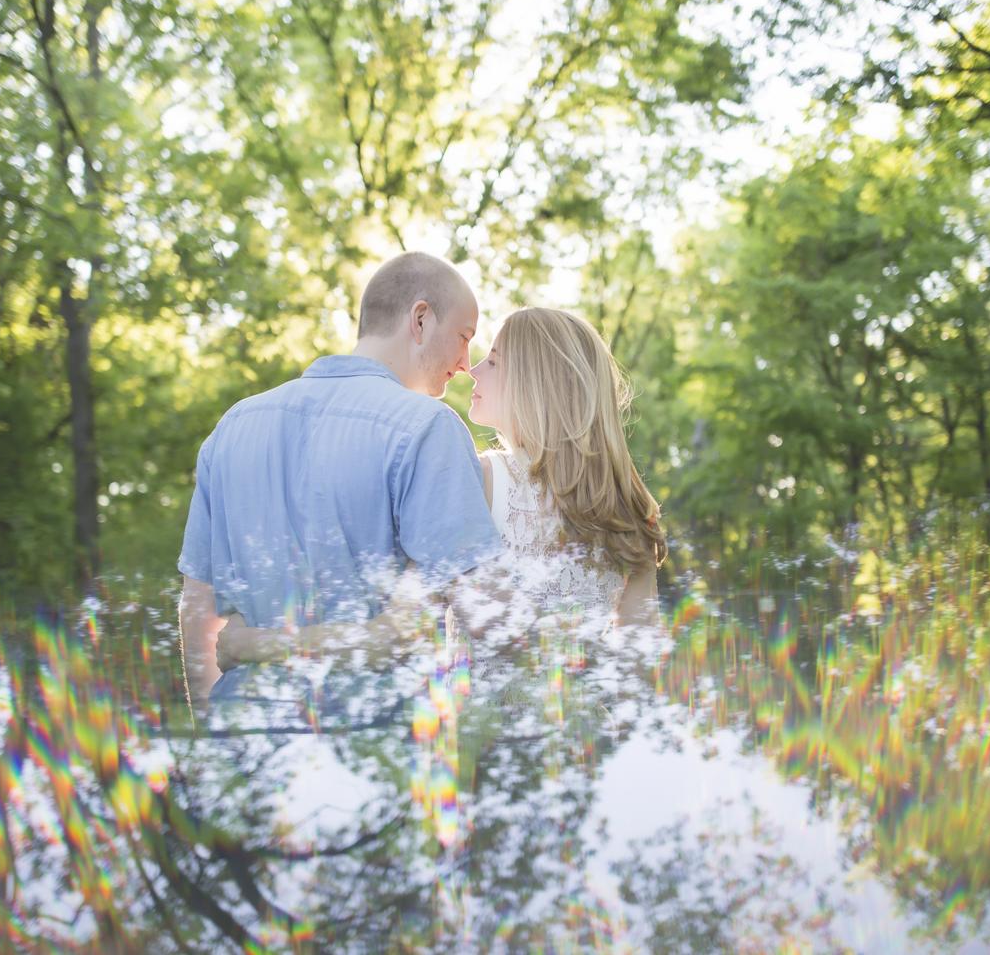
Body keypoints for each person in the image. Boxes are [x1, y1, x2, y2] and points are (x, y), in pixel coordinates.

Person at [178, 252, 504, 707]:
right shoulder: (429, 427)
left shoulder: (232, 426)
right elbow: (482, 610)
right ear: (422, 319)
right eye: (464, 337)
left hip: (243, 746)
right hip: (373, 747)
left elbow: (199, 604)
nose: (467, 361)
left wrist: (208, 731)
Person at [466, 307, 664, 623]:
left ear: (536, 385)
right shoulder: (628, 511)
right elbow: (637, 663)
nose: (473, 370)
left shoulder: (479, 480)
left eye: (492, 361)